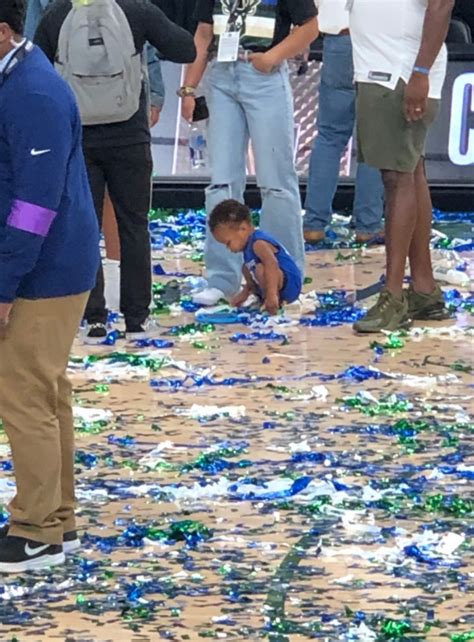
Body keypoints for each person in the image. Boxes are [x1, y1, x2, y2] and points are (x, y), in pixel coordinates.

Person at [0, 0, 100, 572]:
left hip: (45, 268)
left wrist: (4, 283)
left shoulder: (33, 93)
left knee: (24, 396)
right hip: (53, 262)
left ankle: (35, 530)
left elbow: (34, 207)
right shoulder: (21, 79)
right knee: (47, 393)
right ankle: (57, 516)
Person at [35, 0, 196, 344]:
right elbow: (185, 48)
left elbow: (36, 68)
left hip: (80, 139)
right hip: (130, 137)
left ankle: (93, 318)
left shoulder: (58, 14)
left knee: (85, 230)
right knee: (133, 226)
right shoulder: (136, 10)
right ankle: (137, 319)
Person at [181, 0, 319, 307]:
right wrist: (189, 88)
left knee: (276, 182)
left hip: (265, 77)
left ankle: (284, 279)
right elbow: (204, 34)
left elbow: (310, 26)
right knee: (221, 183)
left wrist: (273, 56)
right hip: (222, 77)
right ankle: (222, 280)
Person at [348, 0, 454, 333]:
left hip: (400, 72)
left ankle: (393, 296)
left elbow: (441, 5)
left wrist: (420, 72)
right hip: (383, 69)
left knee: (397, 179)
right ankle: (423, 289)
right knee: (411, 170)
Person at [304, 0, 384, 245]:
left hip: (338, 40)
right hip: (377, 41)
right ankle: (368, 226)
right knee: (373, 139)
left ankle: (314, 224)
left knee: (329, 137)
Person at [209, 199, 302, 315]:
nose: (229, 248)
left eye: (228, 243)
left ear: (243, 229)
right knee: (246, 267)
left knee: (259, 268)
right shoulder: (248, 248)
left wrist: (272, 295)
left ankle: (274, 302)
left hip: (289, 285)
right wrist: (244, 294)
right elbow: (250, 273)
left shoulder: (258, 243)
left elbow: (272, 265)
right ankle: (261, 297)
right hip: (274, 281)